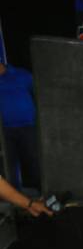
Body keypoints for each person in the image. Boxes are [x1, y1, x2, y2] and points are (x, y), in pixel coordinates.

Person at [0, 61, 40, 190]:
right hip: (3, 131)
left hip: (28, 127)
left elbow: (38, 94)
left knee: (35, 162)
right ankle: (15, 200)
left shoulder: (22, 74)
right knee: (8, 166)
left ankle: (43, 194)